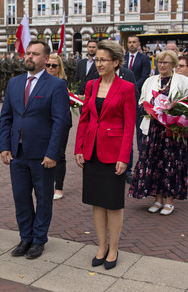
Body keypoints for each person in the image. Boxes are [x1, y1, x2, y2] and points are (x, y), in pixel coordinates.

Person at [0, 40, 69, 259]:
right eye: (27, 53)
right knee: (21, 197)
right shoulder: (14, 83)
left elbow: (61, 122)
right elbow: (7, 116)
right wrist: (4, 146)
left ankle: (39, 239)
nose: (29, 57)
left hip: (42, 154)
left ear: (46, 59)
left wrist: (53, 153)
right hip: (17, 152)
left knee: (43, 197)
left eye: (35, 54)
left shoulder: (56, 85)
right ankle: (25, 238)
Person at [74, 40, 136, 270]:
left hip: (113, 153)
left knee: (112, 203)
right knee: (96, 202)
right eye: (97, 59)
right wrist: (79, 147)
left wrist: (124, 157)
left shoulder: (126, 88)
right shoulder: (90, 85)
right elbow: (85, 118)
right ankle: (101, 246)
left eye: (102, 60)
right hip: (91, 150)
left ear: (115, 62)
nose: (98, 63)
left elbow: (129, 125)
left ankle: (113, 248)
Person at [128, 50, 188, 215]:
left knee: (170, 163)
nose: (162, 65)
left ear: (173, 65)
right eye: (160, 62)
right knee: (154, 163)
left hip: (172, 130)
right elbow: (141, 102)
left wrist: (173, 110)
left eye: (166, 63)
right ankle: (157, 198)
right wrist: (148, 109)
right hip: (153, 129)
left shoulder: (183, 81)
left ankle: (169, 200)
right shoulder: (150, 81)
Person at [124, 35, 151, 183]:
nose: (132, 44)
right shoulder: (123, 58)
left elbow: (145, 77)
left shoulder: (144, 59)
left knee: (141, 135)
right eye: (129, 42)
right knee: (127, 135)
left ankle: (142, 168)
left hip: (139, 99)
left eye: (134, 42)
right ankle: (127, 170)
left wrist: (130, 86)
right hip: (125, 100)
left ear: (139, 44)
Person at [45, 54, 72, 200]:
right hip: (45, 123)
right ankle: (47, 184)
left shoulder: (62, 83)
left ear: (59, 68)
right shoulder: (41, 81)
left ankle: (59, 187)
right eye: (48, 65)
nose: (50, 68)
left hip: (61, 123)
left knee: (59, 155)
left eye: (54, 66)